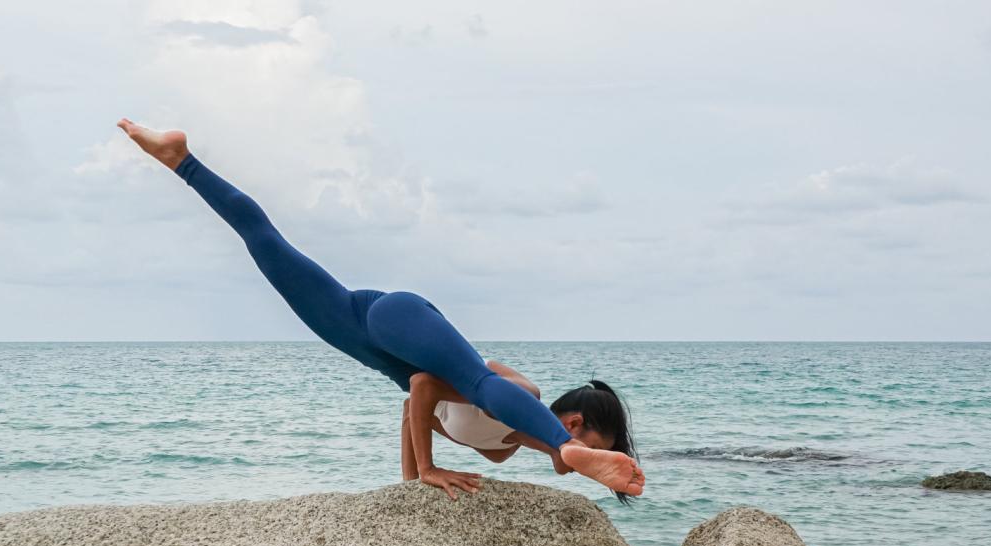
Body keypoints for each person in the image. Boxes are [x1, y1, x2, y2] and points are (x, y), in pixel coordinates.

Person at [118, 119, 644, 502]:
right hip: (401, 318)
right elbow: (427, 386)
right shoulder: (520, 390)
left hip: (367, 339)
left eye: (606, 458)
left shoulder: (500, 451)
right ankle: (569, 448)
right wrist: (431, 469)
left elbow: (414, 408)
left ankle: (180, 160)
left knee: (269, 250)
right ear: (574, 422)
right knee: (489, 387)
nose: (609, 462)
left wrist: (411, 484)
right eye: (604, 448)